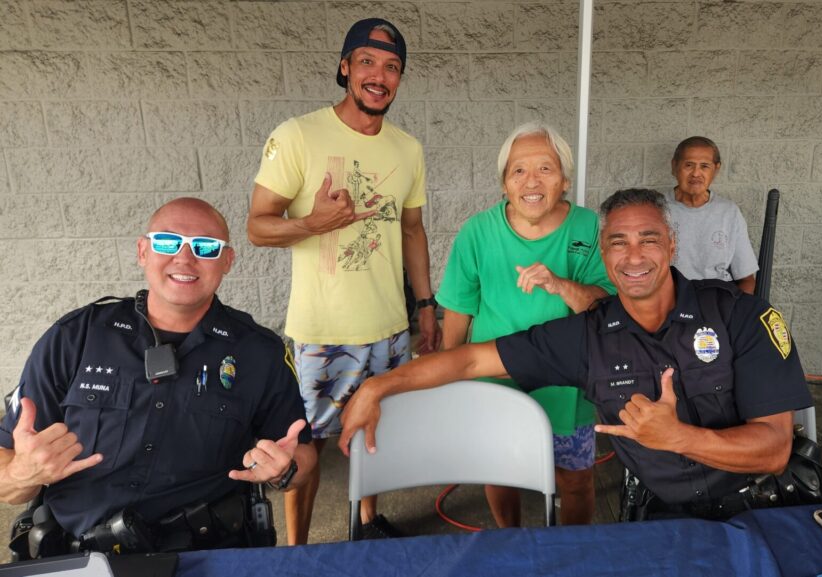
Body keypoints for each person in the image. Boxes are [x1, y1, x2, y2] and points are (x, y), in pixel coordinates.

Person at [340, 188, 813, 521]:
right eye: (617, 243)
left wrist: (677, 437)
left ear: (672, 245)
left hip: (766, 505)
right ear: (603, 257)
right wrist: (378, 385)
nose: (633, 256)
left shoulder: (741, 316)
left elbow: (773, 450)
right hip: (661, 516)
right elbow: (469, 360)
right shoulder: (588, 336)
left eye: (648, 239)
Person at [0, 198, 315, 555]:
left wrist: (284, 471)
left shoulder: (260, 352)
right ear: (142, 251)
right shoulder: (75, 337)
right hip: (78, 554)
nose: (184, 258)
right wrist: (19, 475)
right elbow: (6, 462)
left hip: (204, 553)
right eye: (167, 242)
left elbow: (301, 456)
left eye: (205, 247)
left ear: (227, 261)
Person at [246, 17, 441, 542]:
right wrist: (312, 223)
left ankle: (367, 521)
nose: (380, 75)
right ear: (345, 67)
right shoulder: (297, 135)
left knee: (374, 432)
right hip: (323, 329)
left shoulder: (408, 149)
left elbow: (413, 229)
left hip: (390, 324)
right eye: (368, 62)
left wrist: (426, 304)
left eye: (392, 66)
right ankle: (297, 550)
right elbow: (257, 227)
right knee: (305, 446)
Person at [437, 122, 613, 527]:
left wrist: (559, 284)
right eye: (518, 170)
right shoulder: (477, 233)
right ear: (503, 183)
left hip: (568, 384)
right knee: (500, 476)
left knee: (576, 481)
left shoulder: (588, 228)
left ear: (565, 180)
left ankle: (573, 551)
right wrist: (450, 380)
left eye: (545, 169)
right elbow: (459, 313)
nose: (531, 181)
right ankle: (509, 541)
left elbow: (606, 305)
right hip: (494, 380)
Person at [668, 136, 758, 294]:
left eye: (704, 166)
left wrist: (735, 312)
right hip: (670, 300)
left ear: (716, 170)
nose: (696, 173)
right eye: (688, 165)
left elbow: (746, 279)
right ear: (674, 167)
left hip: (716, 301)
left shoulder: (729, 212)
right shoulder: (655, 208)